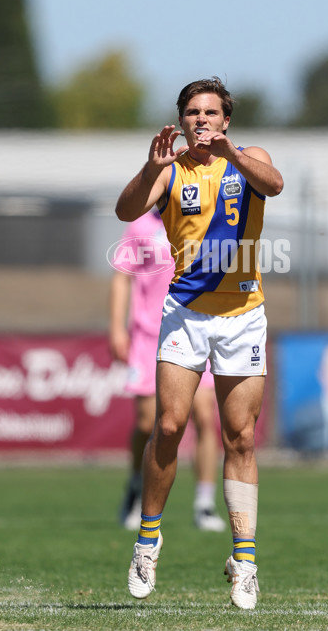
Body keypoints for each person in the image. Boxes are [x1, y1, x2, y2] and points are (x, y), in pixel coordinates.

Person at [115, 76, 284, 610]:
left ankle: (245, 560)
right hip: (185, 315)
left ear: (226, 119)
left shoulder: (246, 156)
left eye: (211, 112)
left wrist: (231, 152)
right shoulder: (171, 171)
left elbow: (274, 184)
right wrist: (151, 167)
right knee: (168, 425)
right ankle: (148, 541)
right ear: (181, 120)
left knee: (240, 436)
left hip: (242, 316)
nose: (202, 119)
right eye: (192, 112)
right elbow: (124, 212)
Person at [110, 207, 226, 532]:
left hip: (194, 330)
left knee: (205, 416)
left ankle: (204, 504)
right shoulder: (141, 225)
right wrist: (117, 329)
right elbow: (122, 277)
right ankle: (136, 485)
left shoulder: (203, 216)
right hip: (149, 337)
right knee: (149, 423)